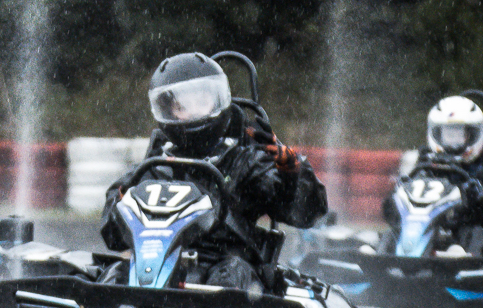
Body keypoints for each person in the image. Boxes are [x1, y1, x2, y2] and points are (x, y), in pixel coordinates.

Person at [100, 53, 327, 281]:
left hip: (229, 266)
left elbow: (306, 213)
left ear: (219, 101)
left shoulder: (243, 162)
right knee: (115, 274)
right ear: (167, 111)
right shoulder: (154, 167)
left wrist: (291, 171)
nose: (193, 113)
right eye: (182, 106)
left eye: (201, 102)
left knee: (231, 274)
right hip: (161, 265)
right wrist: (122, 206)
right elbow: (113, 237)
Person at [397, 91, 483, 255]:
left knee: (474, 232)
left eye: (460, 135)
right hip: (429, 239)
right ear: (436, 134)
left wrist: (482, 197)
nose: (453, 143)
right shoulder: (425, 171)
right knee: (393, 233)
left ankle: (461, 260)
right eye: (449, 135)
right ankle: (386, 259)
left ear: (475, 135)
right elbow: (391, 211)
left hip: (476, 246)